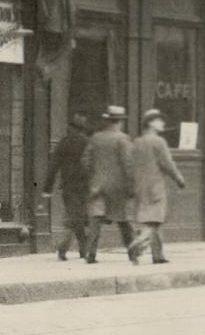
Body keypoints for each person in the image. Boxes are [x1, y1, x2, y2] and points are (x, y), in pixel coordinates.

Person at [128, 109, 186, 265]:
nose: (163, 123)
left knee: (151, 219)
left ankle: (158, 255)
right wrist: (179, 178)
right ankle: (138, 242)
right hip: (155, 186)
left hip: (140, 187)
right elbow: (167, 163)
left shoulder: (136, 142)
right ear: (151, 123)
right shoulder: (159, 141)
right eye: (159, 120)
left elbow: (130, 165)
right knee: (156, 220)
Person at [82, 105, 135, 262]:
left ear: (107, 121)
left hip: (97, 185)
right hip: (117, 188)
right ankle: (132, 254)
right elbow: (129, 165)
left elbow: (85, 160)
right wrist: (131, 186)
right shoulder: (123, 139)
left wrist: (94, 176)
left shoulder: (96, 137)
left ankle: (90, 254)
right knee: (124, 221)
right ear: (120, 122)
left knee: (96, 220)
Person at [42, 113, 91, 261]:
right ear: (83, 128)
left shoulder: (63, 143)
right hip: (84, 186)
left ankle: (82, 248)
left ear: (70, 127)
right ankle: (64, 249)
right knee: (76, 217)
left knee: (75, 215)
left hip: (68, 186)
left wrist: (47, 188)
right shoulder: (87, 142)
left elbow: (53, 166)